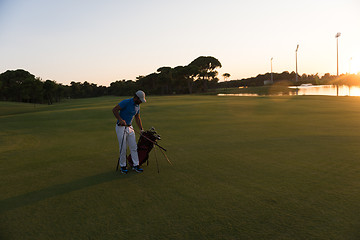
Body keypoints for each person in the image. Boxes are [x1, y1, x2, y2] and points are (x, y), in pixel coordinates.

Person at [112, 90, 146, 174]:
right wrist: (120, 119)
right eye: (140, 100)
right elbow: (114, 110)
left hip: (130, 127)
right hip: (121, 128)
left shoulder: (137, 106)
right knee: (123, 148)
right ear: (136, 98)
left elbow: (137, 117)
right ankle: (123, 166)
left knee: (134, 147)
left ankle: (136, 165)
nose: (141, 102)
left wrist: (141, 129)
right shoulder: (126, 102)